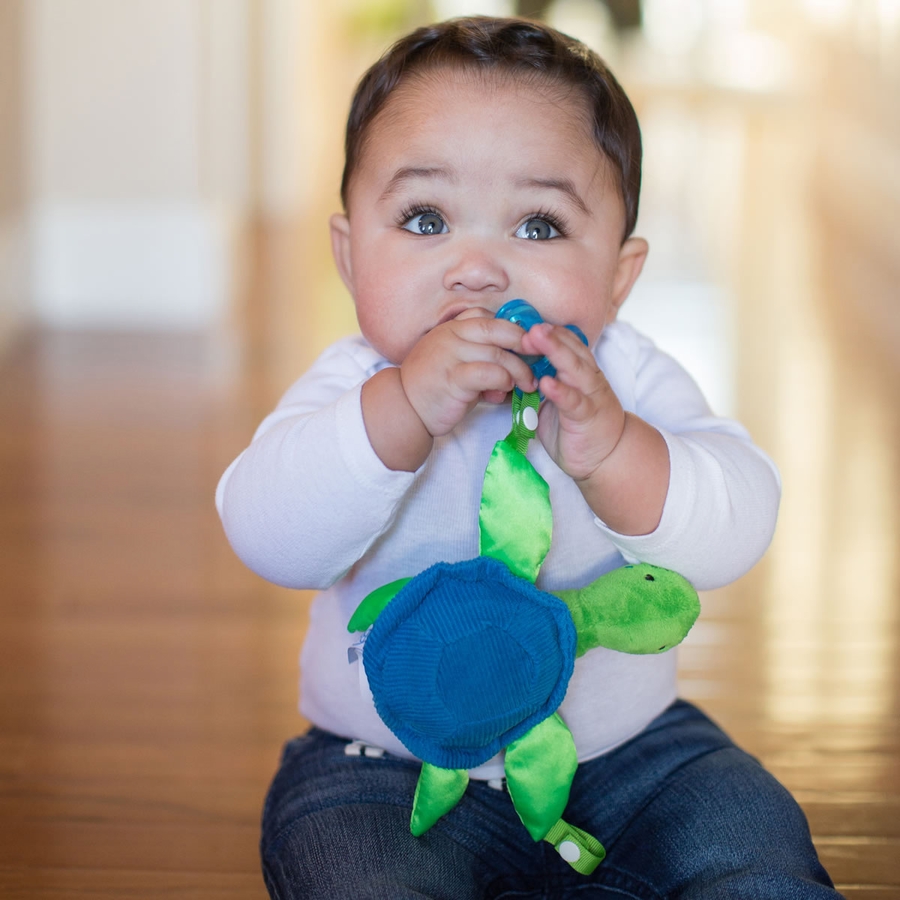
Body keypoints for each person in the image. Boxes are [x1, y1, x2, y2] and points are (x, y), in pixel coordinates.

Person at [217, 16, 842, 899]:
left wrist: (615, 450)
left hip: (629, 755)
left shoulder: (620, 375)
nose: (477, 269)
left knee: (748, 840)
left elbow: (738, 524)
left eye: (540, 226)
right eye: (425, 218)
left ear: (619, 278)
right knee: (350, 869)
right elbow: (267, 533)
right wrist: (399, 414)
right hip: (386, 762)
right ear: (353, 257)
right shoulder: (354, 388)